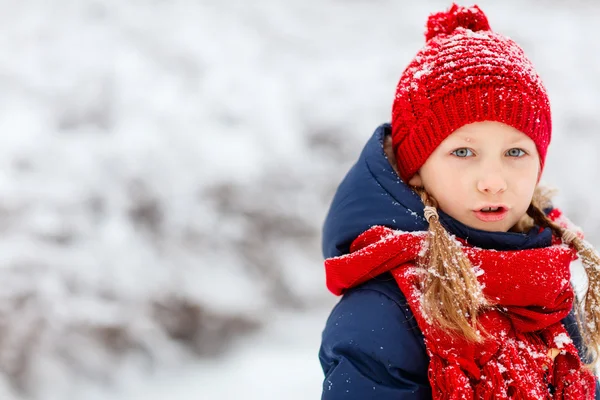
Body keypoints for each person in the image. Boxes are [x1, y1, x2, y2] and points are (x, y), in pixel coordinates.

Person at [319, 3, 600, 399]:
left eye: (515, 153)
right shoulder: (381, 315)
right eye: (463, 153)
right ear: (415, 167)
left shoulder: (547, 290)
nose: (492, 182)